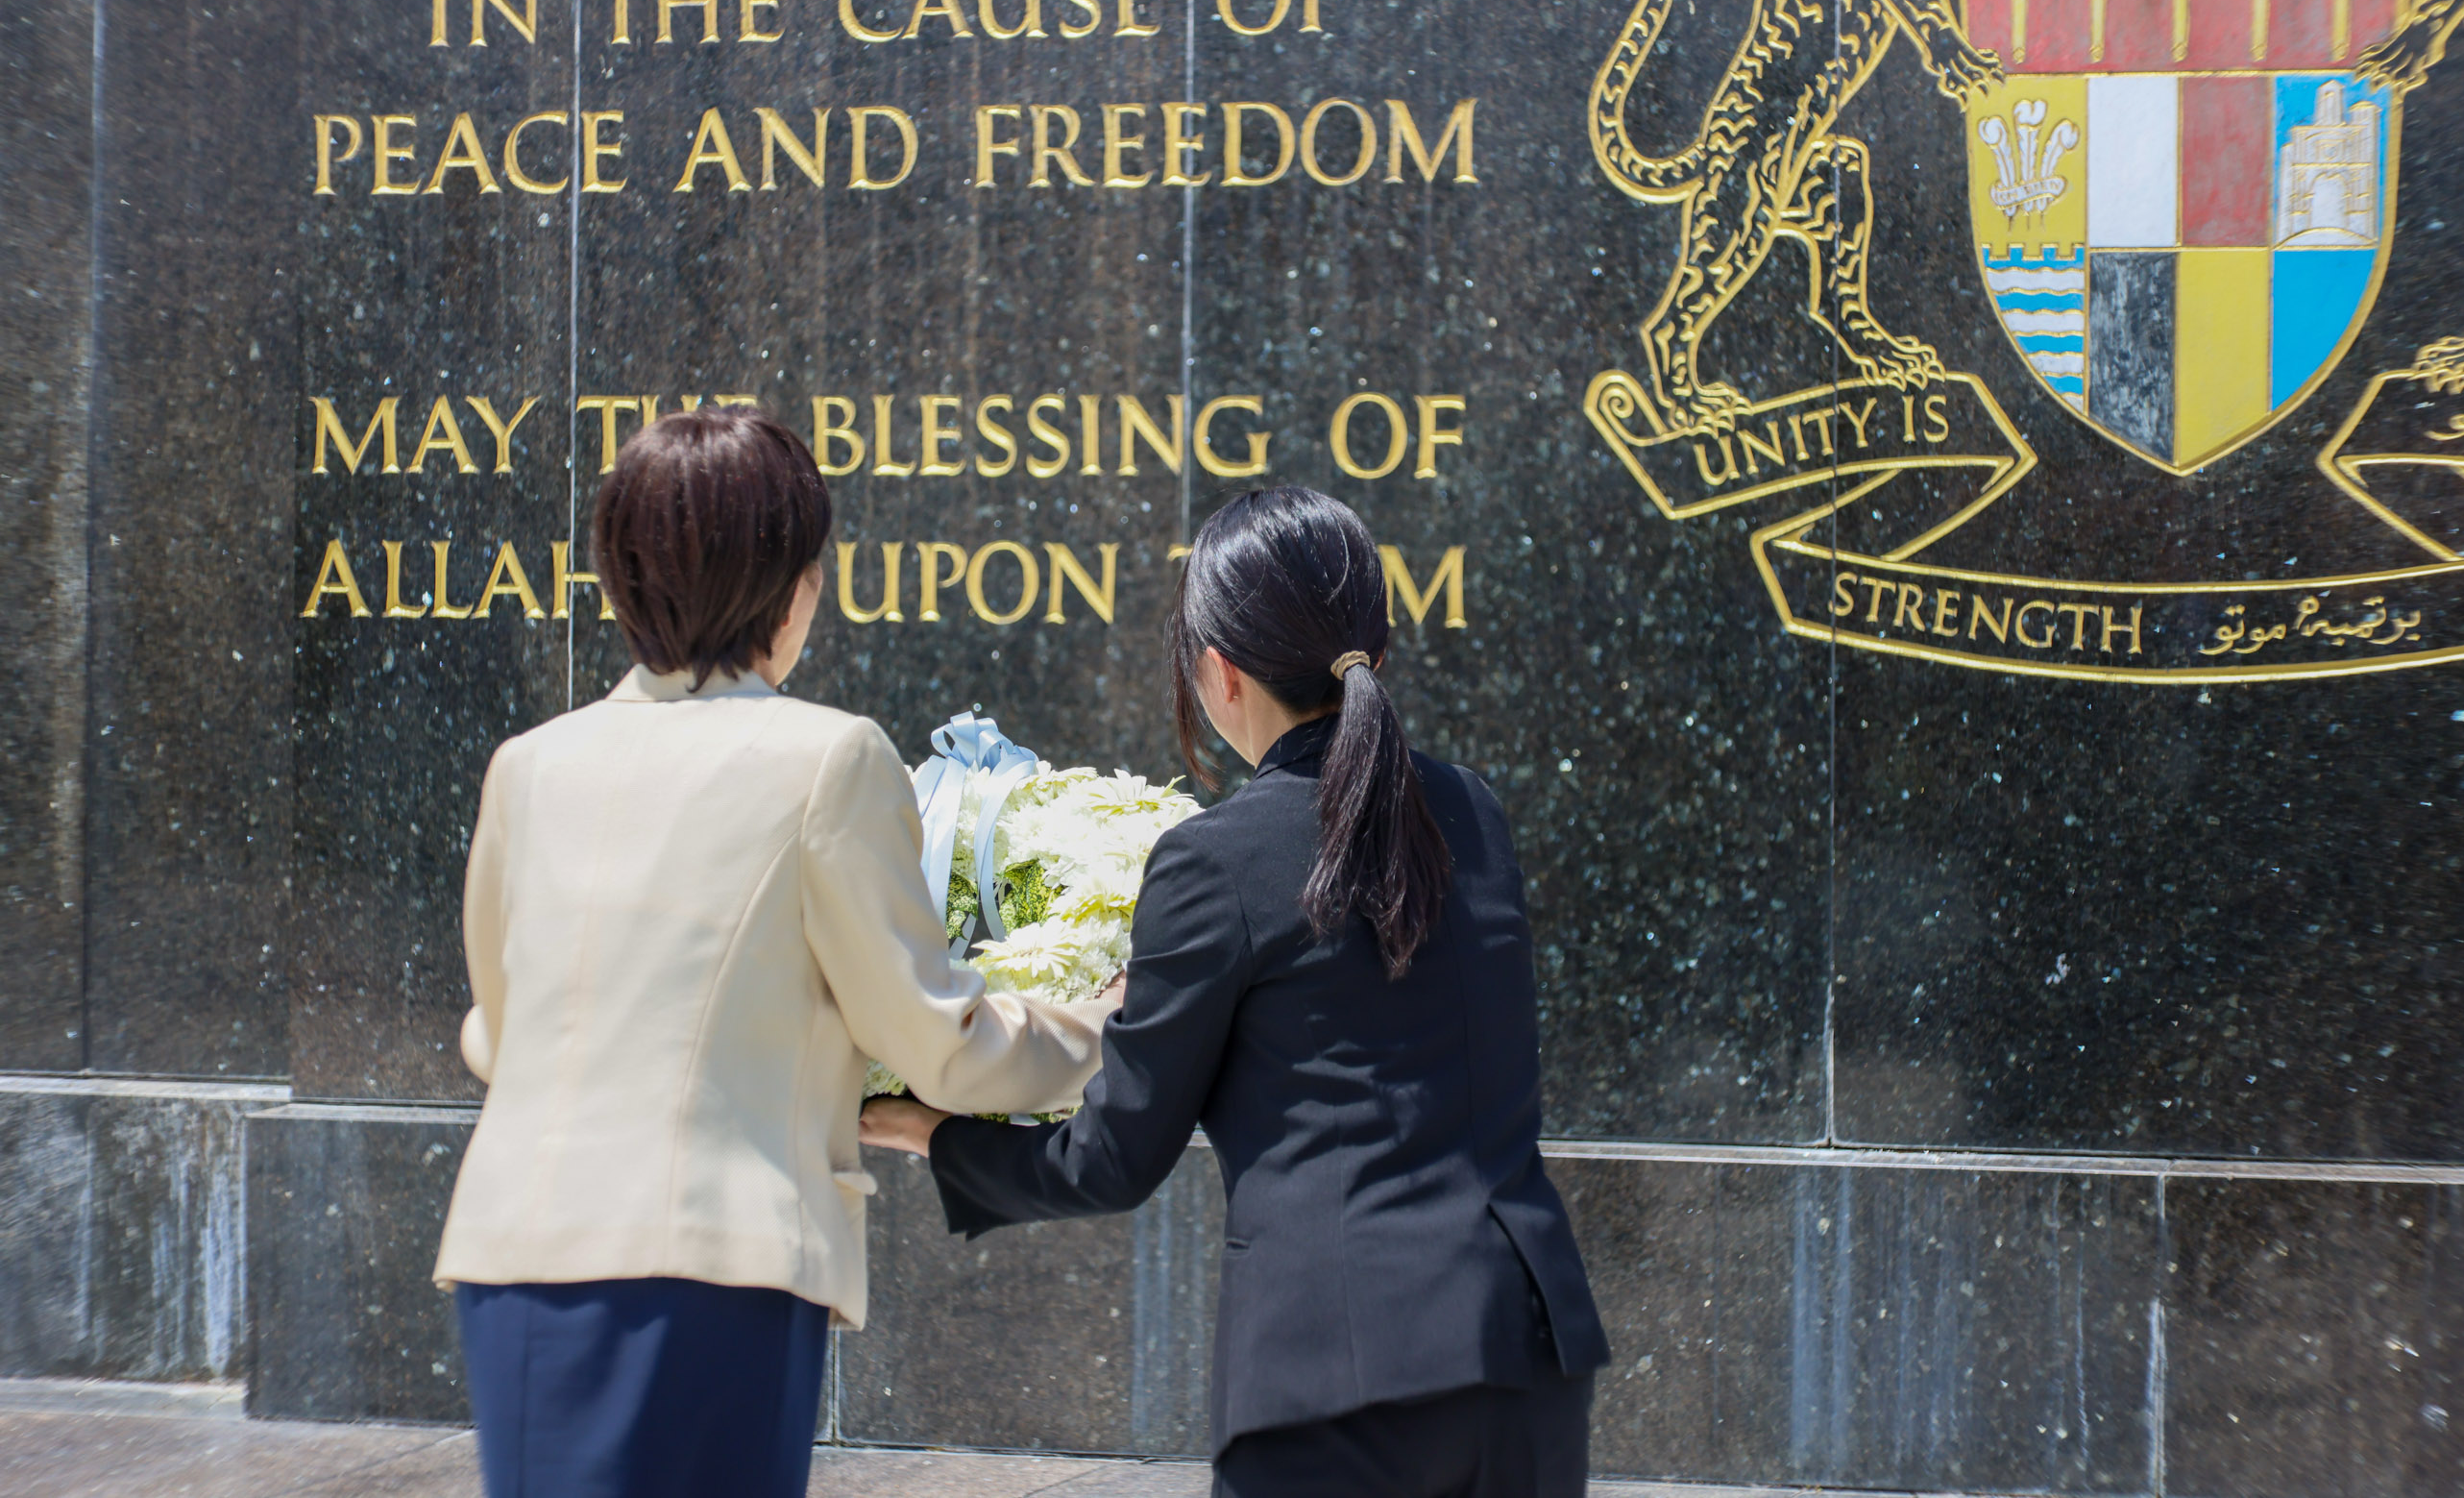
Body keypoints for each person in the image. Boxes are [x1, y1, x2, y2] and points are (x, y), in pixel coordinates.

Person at [862, 485, 1610, 1497]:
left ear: (1217, 672)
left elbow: (1112, 1161)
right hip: (1526, 1350)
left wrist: (932, 1131)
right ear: (1373, 653)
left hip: (1337, 1373)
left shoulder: (1212, 863)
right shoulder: (1470, 813)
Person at [433, 407, 1112, 1498]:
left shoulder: (530, 765)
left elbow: (498, 1034)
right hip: (708, 1268)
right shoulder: (827, 759)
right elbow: (937, 1041)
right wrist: (1106, 1021)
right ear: (790, 588)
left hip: (513, 1258)